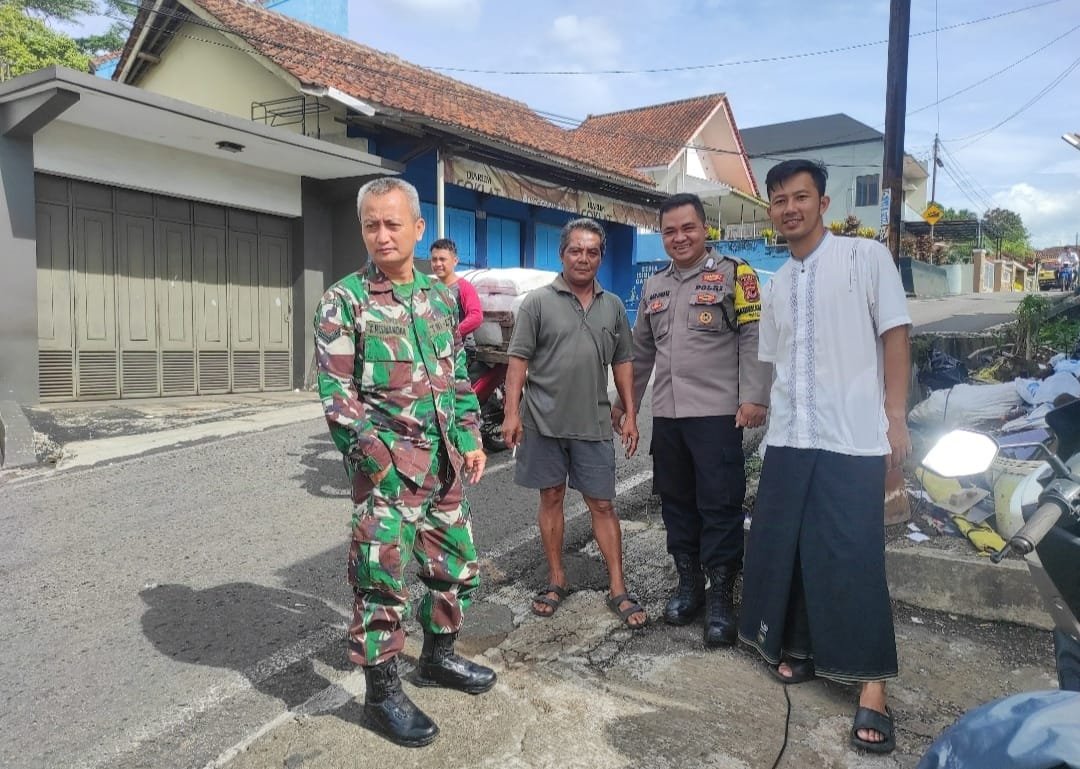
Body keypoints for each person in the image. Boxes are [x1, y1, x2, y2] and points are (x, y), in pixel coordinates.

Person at [737, 159, 911, 755]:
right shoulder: (776, 282)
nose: (790, 208)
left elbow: (895, 335)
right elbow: (774, 361)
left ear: (823, 203)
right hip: (790, 436)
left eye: (800, 197)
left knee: (855, 554)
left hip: (852, 436)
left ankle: (871, 687)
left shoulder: (867, 260)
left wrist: (894, 417)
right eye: (779, 200)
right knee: (790, 547)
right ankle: (804, 649)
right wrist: (756, 409)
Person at [314, 177, 495, 748]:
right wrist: (379, 465)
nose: (382, 235)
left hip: (445, 468)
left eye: (394, 224)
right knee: (380, 582)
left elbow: (457, 376)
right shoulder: (344, 301)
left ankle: (437, 657)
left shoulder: (440, 297)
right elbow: (338, 400)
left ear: (419, 229)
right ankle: (381, 694)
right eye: (372, 224)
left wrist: (469, 437)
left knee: (457, 569)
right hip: (389, 469)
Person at [612, 192, 770, 648]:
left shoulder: (734, 275)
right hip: (670, 416)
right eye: (670, 231)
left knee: (719, 506)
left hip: (719, 415)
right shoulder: (655, 285)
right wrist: (627, 405)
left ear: (706, 229)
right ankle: (689, 587)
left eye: (688, 228)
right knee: (676, 502)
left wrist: (754, 396)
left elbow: (753, 337)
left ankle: (721, 598)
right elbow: (640, 353)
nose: (679, 238)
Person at [500, 218, 646, 629]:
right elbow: (517, 362)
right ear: (562, 254)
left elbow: (623, 362)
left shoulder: (613, 306)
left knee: (602, 503)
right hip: (543, 422)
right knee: (551, 497)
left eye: (592, 251)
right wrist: (511, 413)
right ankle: (556, 578)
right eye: (576, 250)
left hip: (595, 421)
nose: (584, 258)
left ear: (601, 256)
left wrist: (630, 412)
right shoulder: (538, 303)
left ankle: (618, 586)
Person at [430, 238, 484, 338]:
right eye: (434, 259)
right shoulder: (429, 288)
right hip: (436, 349)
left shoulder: (464, 287)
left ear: (455, 261)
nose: (437, 264)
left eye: (442, 259)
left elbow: (476, 316)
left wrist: (452, 334)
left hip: (459, 349)